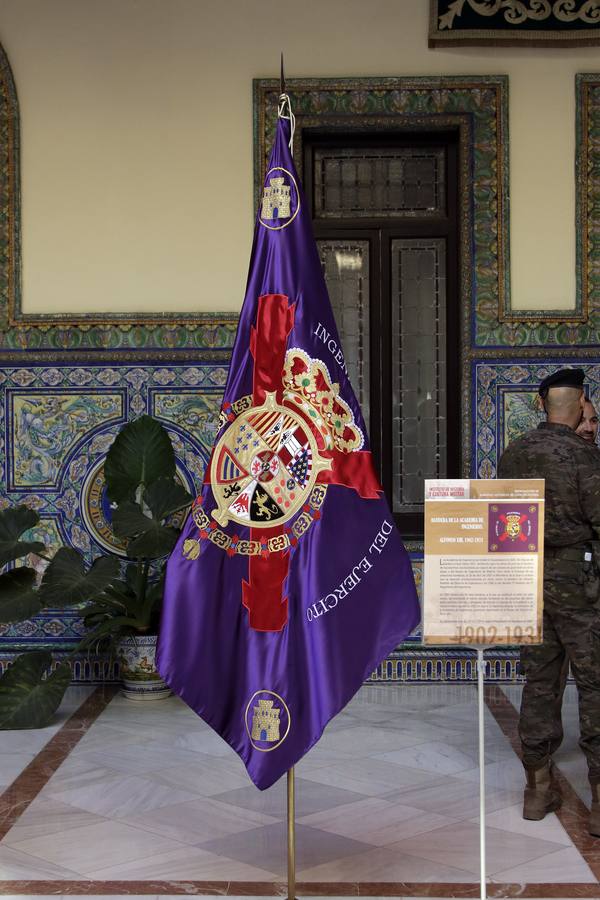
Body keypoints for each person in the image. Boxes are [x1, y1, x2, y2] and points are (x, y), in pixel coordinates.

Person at [498, 368, 600, 836]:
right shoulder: (585, 456)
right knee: (594, 682)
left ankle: (536, 791)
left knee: (540, 681)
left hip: (529, 577)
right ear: (581, 406)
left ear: (542, 405)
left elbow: (502, 518)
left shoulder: (513, 453)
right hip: (580, 583)